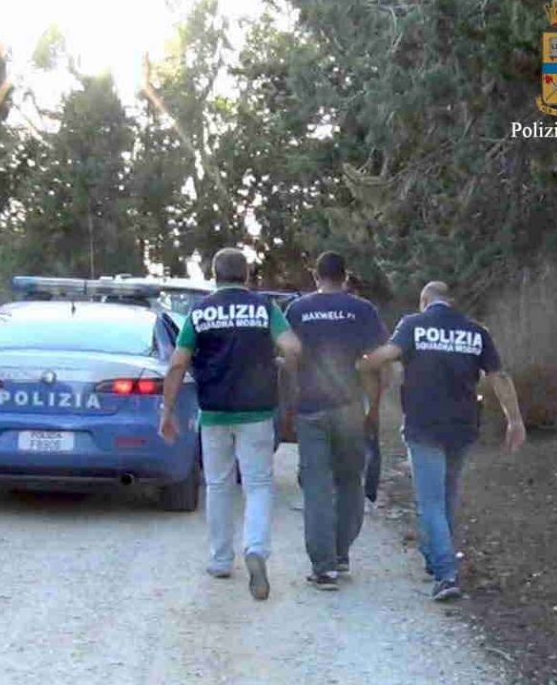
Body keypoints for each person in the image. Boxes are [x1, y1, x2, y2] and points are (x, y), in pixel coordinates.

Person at [359, 281, 526, 602]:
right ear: (450, 301)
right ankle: (433, 556)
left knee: (431, 502)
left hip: (424, 425)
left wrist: (361, 362)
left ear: (425, 301)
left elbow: (384, 356)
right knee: (447, 496)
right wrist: (515, 420)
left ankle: (446, 574)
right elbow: (499, 377)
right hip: (463, 427)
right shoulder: (476, 331)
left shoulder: (413, 325)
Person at [160, 247, 301, 601]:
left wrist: (167, 411)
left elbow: (177, 363)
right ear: (248, 274)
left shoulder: (200, 312)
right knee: (258, 484)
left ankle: (221, 560)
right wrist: (282, 366)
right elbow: (293, 348)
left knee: (219, 485)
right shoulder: (265, 308)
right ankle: (256, 549)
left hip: (214, 412)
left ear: (214, 275)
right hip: (257, 412)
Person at [284, 252, 388, 590]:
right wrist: (374, 409)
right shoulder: (362, 310)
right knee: (349, 481)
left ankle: (323, 568)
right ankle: (341, 554)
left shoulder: (297, 310)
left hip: (310, 408)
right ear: (345, 277)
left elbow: (289, 358)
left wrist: (289, 404)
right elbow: (377, 362)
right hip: (349, 408)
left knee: (316, 487)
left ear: (316, 276)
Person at [344, 272, 384, 507]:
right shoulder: (366, 312)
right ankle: (369, 492)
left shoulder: (329, 310)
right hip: (363, 385)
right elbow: (381, 352)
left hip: (339, 387)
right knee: (369, 438)